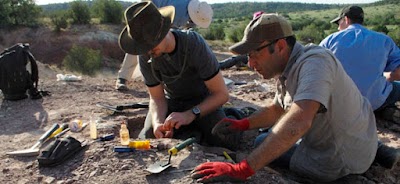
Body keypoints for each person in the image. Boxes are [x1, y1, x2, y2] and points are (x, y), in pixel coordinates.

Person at [191, 13, 379, 183]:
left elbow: (299, 121)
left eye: (255, 54)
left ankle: (351, 174)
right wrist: (243, 124)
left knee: (262, 142)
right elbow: (277, 109)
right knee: (268, 137)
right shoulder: (289, 67)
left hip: (341, 158)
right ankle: (380, 152)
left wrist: (242, 169)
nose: (250, 63)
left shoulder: (315, 63)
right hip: (358, 137)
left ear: (280, 46)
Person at [118, 2, 241, 150]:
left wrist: (191, 114)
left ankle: (233, 114)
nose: (147, 52)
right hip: (173, 102)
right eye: (143, 47)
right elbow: (157, 97)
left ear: (163, 32)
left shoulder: (194, 44)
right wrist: (158, 122)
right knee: (149, 136)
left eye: (150, 45)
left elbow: (221, 94)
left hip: (202, 102)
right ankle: (192, 131)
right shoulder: (145, 55)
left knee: (226, 140)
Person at [319, 6, 400, 121]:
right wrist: (388, 77)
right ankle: (384, 110)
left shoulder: (330, 40)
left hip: (339, 105)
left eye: (339, 23)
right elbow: (398, 72)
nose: (338, 28)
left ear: (346, 19)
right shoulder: (384, 40)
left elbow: (317, 70)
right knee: (392, 87)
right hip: (375, 101)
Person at [115, 0, 213, 90]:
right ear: (194, 16)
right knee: (141, 43)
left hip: (149, 10)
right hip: (146, 13)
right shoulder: (181, 15)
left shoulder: (187, 5)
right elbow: (170, 37)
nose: (193, 24)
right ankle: (123, 78)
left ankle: (139, 77)